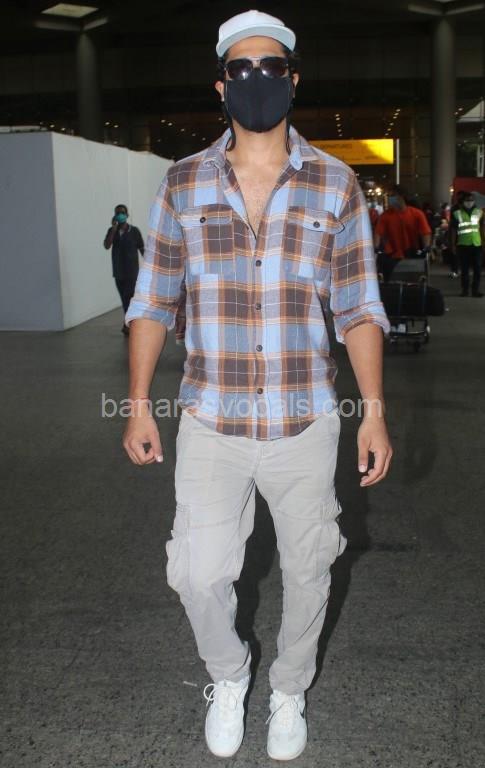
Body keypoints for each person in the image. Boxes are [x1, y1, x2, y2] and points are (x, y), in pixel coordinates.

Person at [123, 9, 392, 762]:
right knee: (197, 572)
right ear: (221, 86)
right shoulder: (183, 182)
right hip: (212, 420)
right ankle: (229, 674)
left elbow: (359, 307)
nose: (256, 80)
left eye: (271, 66)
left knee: (311, 567)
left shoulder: (335, 184)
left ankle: (289, 689)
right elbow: (152, 301)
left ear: (293, 79)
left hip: (306, 421)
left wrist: (374, 413)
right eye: (240, 69)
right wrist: (138, 405)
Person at [374, 184, 432, 282]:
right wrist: (376, 247)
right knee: (389, 282)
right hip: (392, 256)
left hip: (412, 253)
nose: (390, 198)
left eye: (392, 195)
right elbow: (378, 233)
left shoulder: (417, 214)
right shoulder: (385, 216)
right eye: (388, 196)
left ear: (401, 196)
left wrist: (426, 247)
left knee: (413, 283)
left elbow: (425, 233)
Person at [103, 204, 145, 335]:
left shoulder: (134, 231)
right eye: (117, 213)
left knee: (129, 297)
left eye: (122, 213)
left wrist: (149, 265)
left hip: (132, 271)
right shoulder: (112, 231)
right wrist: (114, 229)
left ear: (127, 215)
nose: (120, 215)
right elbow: (107, 245)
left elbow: (142, 248)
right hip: (118, 272)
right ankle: (128, 323)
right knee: (124, 298)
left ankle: (129, 324)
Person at [450, 191, 485, 297]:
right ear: (463, 201)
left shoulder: (480, 212)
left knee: (477, 269)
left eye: (471, 200)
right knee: (464, 269)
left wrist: (483, 241)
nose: (469, 202)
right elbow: (453, 230)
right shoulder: (457, 213)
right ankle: (465, 290)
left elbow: (482, 228)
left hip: (477, 244)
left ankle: (475, 290)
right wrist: (453, 244)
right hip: (463, 244)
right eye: (467, 200)